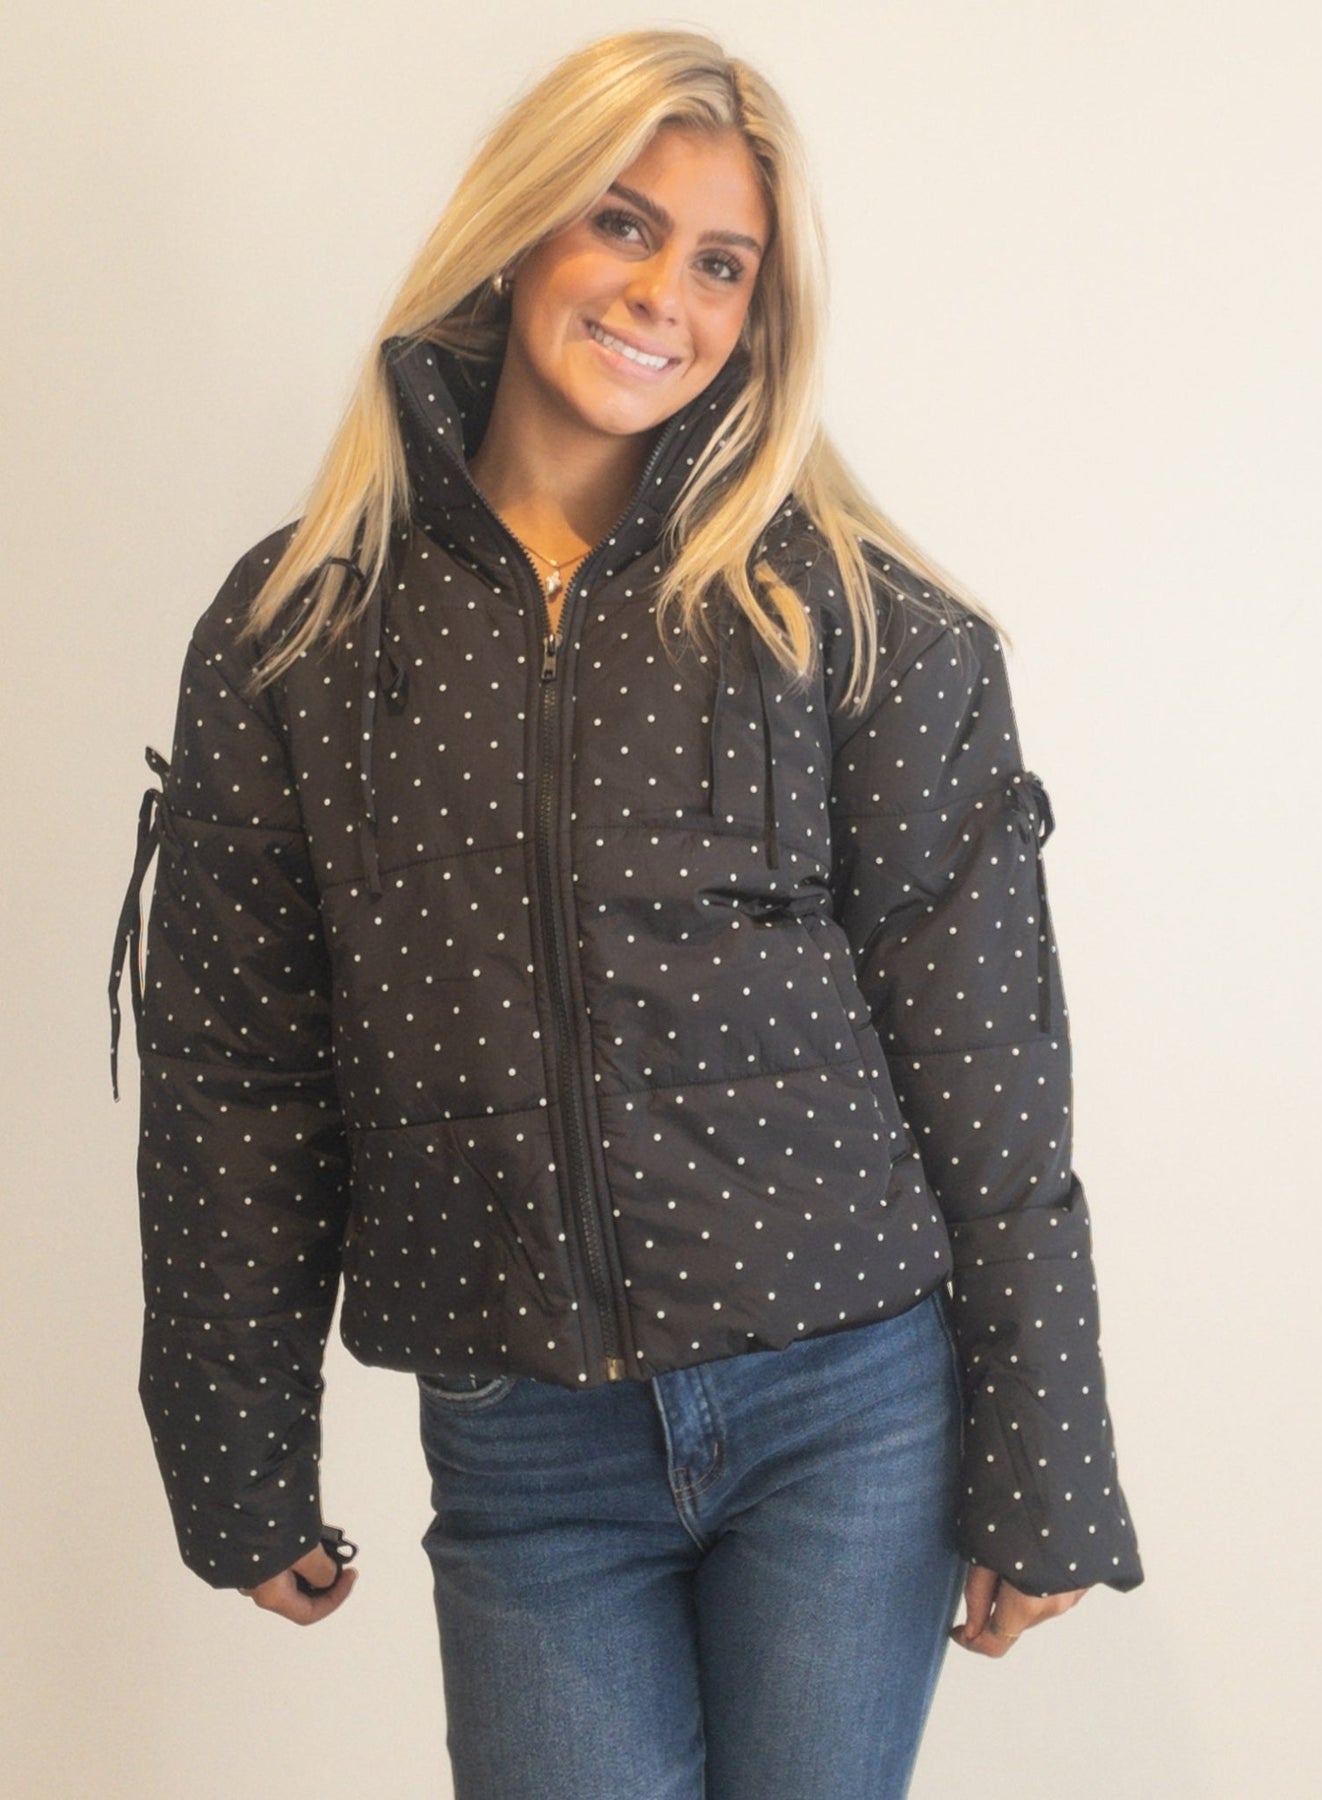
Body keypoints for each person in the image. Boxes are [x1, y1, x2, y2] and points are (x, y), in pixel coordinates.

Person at [109, 26, 1142, 1798]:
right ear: (518, 231)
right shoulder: (301, 631)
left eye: (723, 262)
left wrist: (1043, 1460)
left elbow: (985, 1061)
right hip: (525, 1445)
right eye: (623, 223)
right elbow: (237, 1073)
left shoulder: (853, 617)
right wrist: (235, 1451)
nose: (666, 293)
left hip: (848, 1409)